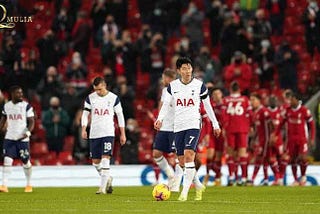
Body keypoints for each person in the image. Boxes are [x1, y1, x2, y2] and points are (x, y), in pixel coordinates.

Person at [154, 57, 221, 201]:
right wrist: (159, 119)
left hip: (193, 124)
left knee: (189, 154)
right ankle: (198, 185)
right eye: (184, 68)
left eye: (189, 68)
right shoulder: (172, 87)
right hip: (178, 126)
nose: (187, 71)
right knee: (182, 161)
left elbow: (208, 106)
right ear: (179, 71)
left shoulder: (200, 86)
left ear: (192, 69)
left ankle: (184, 192)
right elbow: (166, 105)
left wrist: (215, 124)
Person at [81, 77, 126, 194]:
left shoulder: (113, 98)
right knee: (95, 162)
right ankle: (108, 178)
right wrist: (84, 129)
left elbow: (120, 116)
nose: (98, 92)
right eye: (96, 90)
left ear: (104, 85)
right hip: (94, 133)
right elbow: (85, 114)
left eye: (100, 89)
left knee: (105, 159)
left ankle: (102, 188)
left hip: (108, 132)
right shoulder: (90, 98)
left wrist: (123, 134)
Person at [0, 86, 35, 193]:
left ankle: (29, 184)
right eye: (18, 93)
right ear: (12, 94)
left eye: (21, 93)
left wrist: (28, 133)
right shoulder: (7, 106)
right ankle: (4, 185)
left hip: (22, 139)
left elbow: (32, 121)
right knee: (7, 160)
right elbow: (3, 120)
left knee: (25, 161)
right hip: (9, 138)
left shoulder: (26, 106)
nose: (21, 95)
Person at [282, 93, 315, 186]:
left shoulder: (304, 110)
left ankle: (303, 177)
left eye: (292, 100)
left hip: (302, 138)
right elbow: (281, 123)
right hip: (291, 139)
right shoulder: (287, 111)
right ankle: (296, 180)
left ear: (297, 100)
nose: (290, 102)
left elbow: (312, 125)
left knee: (303, 158)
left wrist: (312, 138)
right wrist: (275, 134)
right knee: (292, 159)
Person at [152, 68, 177, 190]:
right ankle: (171, 175)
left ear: (169, 78)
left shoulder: (179, 90)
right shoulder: (164, 90)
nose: (163, 80)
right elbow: (161, 105)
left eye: (164, 78)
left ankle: (177, 184)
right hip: (164, 127)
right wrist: (159, 119)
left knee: (180, 156)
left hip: (175, 127)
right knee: (156, 153)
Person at [223, 81, 251, 186]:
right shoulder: (245, 100)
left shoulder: (226, 100)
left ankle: (231, 178)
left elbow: (224, 116)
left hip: (230, 129)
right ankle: (243, 178)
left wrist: (225, 128)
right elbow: (249, 114)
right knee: (242, 153)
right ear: (239, 89)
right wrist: (250, 126)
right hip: (242, 129)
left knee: (231, 154)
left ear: (230, 89)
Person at [248, 93, 270, 186]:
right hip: (260, 139)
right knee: (263, 159)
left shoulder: (264, 111)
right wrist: (254, 138)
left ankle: (252, 179)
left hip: (266, 139)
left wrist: (271, 138)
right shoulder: (255, 112)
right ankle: (266, 179)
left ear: (259, 101)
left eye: (253, 100)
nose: (251, 102)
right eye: (250, 100)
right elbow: (257, 128)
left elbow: (270, 126)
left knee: (260, 158)